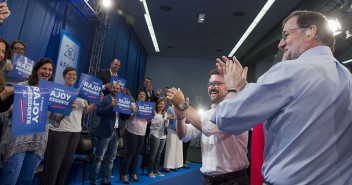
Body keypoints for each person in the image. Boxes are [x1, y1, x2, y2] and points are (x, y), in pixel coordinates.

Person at [211, 10, 352, 184]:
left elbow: (226, 119)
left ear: (310, 32)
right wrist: (245, 90)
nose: (281, 44)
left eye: (286, 35)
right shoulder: (347, 77)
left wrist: (232, 89)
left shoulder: (290, 70)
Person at [166, 70, 249, 185]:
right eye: (210, 84)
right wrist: (180, 117)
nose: (212, 88)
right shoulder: (206, 114)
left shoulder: (236, 111)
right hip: (207, 180)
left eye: (216, 84)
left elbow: (209, 127)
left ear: (229, 85)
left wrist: (183, 105)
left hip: (232, 180)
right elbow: (184, 135)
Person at [0, 58, 73, 185]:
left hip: (37, 143)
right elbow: (4, 113)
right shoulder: (21, 87)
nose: (47, 72)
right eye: (44, 68)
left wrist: (67, 110)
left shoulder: (51, 92)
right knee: (10, 179)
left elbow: (54, 119)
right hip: (17, 142)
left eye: (50, 70)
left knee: (26, 180)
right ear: (36, 70)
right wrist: (19, 109)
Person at [41, 67, 100, 185]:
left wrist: (96, 102)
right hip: (59, 131)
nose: (72, 76)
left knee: (65, 164)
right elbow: (52, 112)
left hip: (75, 132)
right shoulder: (58, 90)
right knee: (53, 166)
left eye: (74, 74)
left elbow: (86, 111)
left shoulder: (81, 94)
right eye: (69, 74)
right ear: (64, 76)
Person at [89, 83, 122, 185]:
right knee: (99, 158)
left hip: (117, 132)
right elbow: (98, 112)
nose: (116, 90)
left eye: (118, 88)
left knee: (111, 159)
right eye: (114, 88)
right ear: (110, 88)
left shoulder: (122, 101)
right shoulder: (106, 99)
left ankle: (106, 181)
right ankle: (93, 181)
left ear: (120, 90)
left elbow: (124, 117)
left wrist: (131, 111)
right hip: (104, 131)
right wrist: (110, 106)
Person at [120, 90, 149, 184]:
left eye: (144, 95)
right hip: (132, 131)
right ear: (137, 96)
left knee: (137, 154)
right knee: (130, 154)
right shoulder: (132, 104)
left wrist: (149, 117)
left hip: (142, 132)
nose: (142, 96)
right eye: (140, 94)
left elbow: (147, 121)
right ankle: (124, 174)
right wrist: (133, 111)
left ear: (145, 97)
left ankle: (133, 173)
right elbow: (126, 117)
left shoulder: (147, 107)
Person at [147, 99, 169, 178]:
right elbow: (153, 124)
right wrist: (162, 120)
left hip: (163, 135)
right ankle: (150, 171)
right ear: (157, 105)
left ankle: (156, 170)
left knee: (159, 154)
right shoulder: (153, 112)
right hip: (154, 134)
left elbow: (166, 125)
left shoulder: (165, 113)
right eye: (161, 104)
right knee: (153, 154)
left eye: (163, 104)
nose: (162, 105)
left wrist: (166, 121)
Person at [163, 105, 183, 172]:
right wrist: (170, 118)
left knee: (178, 148)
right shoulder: (170, 108)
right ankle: (167, 165)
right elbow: (167, 118)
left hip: (179, 130)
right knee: (170, 147)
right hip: (171, 129)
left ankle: (176, 165)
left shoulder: (181, 108)